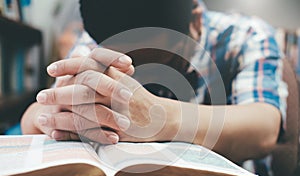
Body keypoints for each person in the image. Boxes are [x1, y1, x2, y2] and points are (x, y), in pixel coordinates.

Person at [21, 0, 287, 166]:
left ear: (194, 20)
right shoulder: (101, 38)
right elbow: (32, 118)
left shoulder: (246, 36)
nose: (141, 74)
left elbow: (263, 128)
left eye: (161, 61)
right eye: (126, 61)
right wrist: (55, 114)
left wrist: (155, 116)